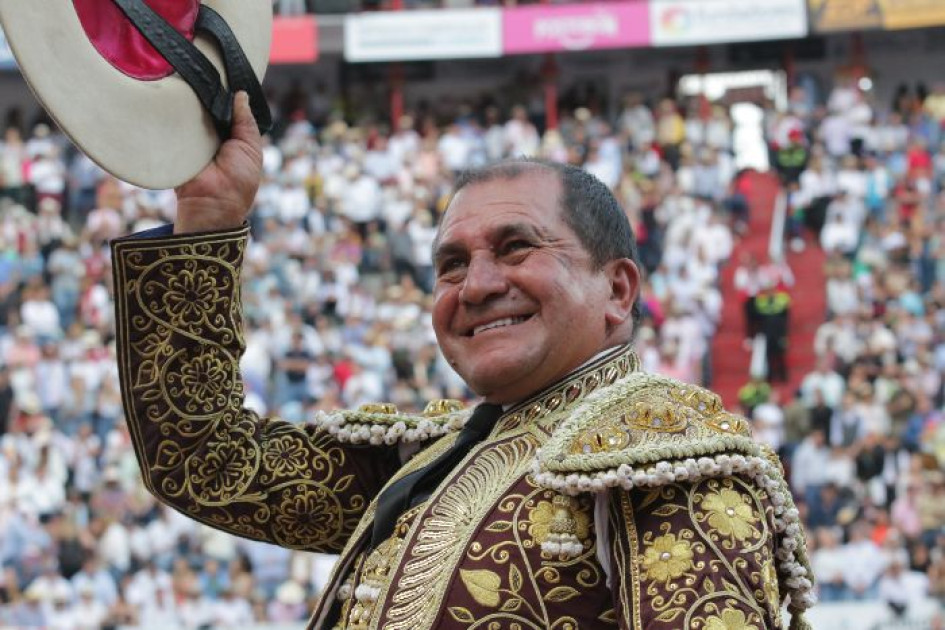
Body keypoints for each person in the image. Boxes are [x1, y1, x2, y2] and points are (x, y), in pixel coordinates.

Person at [109, 94, 814, 629]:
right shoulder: (429, 460)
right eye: (451, 265)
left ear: (617, 289)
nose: (475, 286)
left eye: (516, 248)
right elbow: (209, 461)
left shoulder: (666, 457)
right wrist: (208, 220)